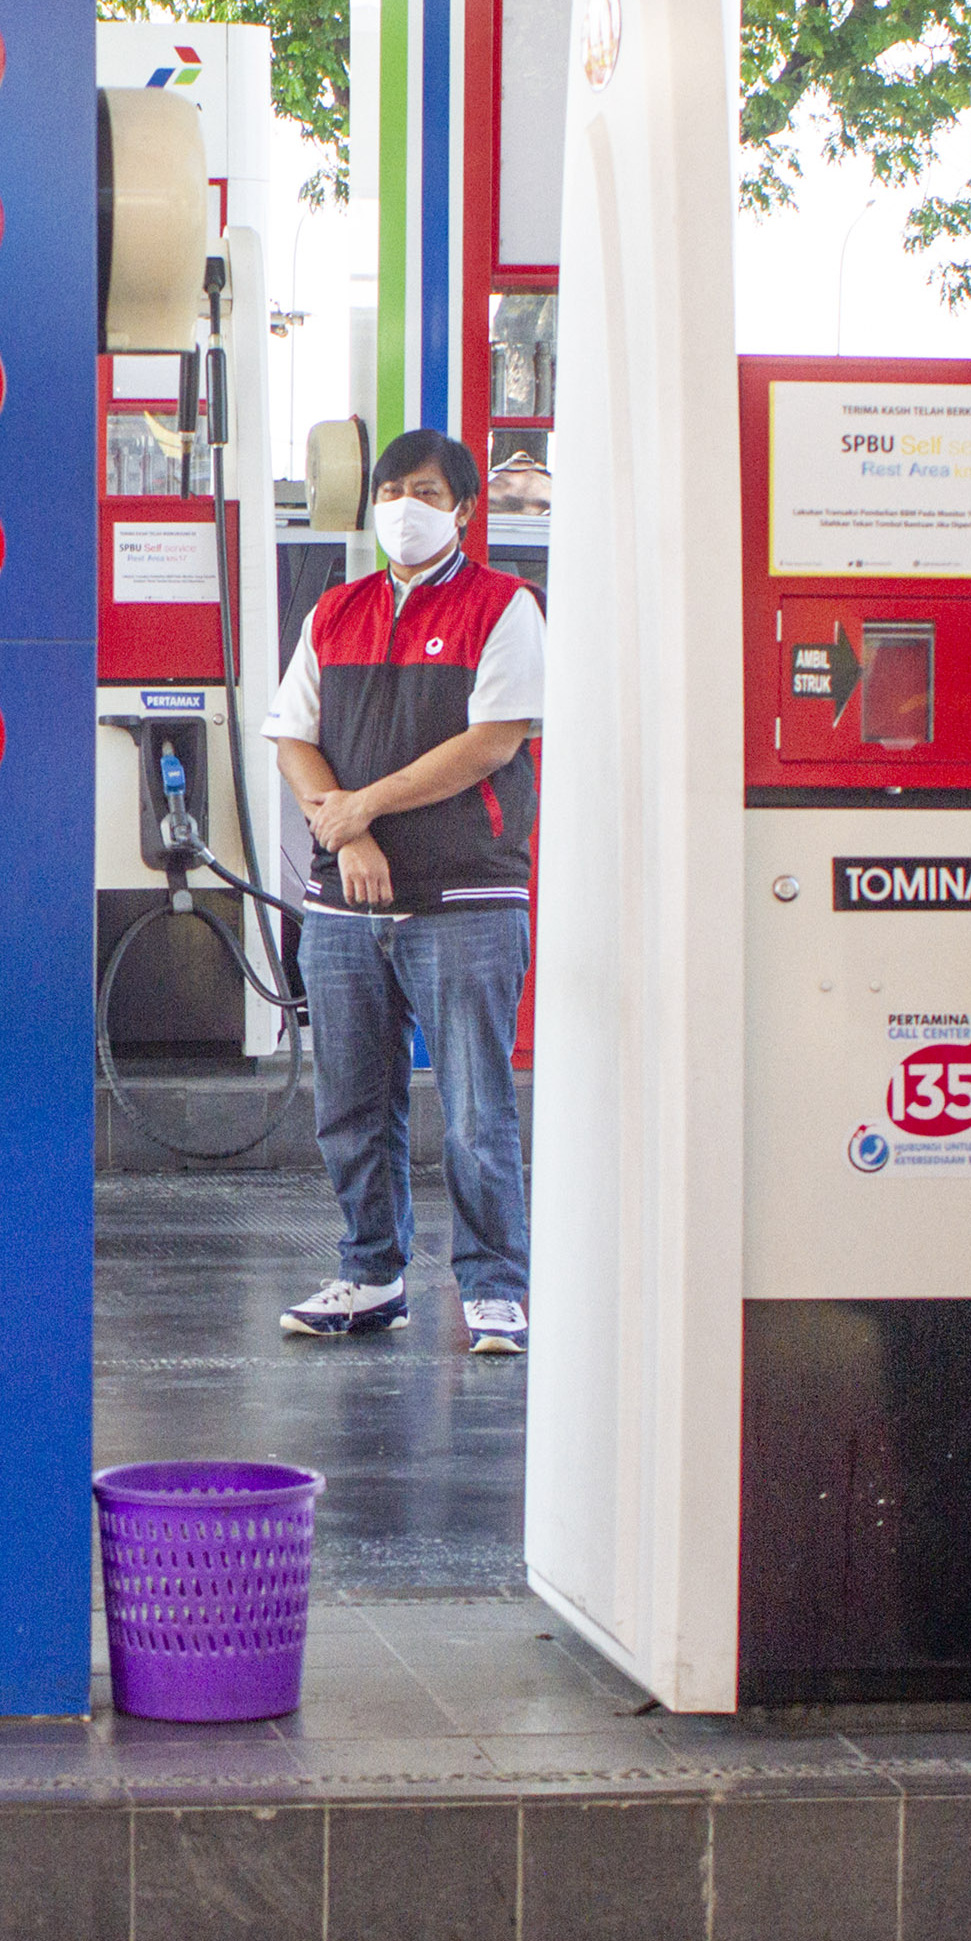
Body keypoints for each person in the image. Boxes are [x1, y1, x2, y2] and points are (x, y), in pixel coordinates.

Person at [260, 427, 543, 1351]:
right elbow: (291, 733)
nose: (403, 508)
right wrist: (351, 831)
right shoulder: (333, 612)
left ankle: (496, 1287)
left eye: (425, 492)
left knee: (474, 1107)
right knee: (349, 1102)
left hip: (463, 898)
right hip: (345, 904)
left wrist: (359, 810)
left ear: (464, 507)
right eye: (391, 491)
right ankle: (370, 1272)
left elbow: (492, 740)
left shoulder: (505, 606)